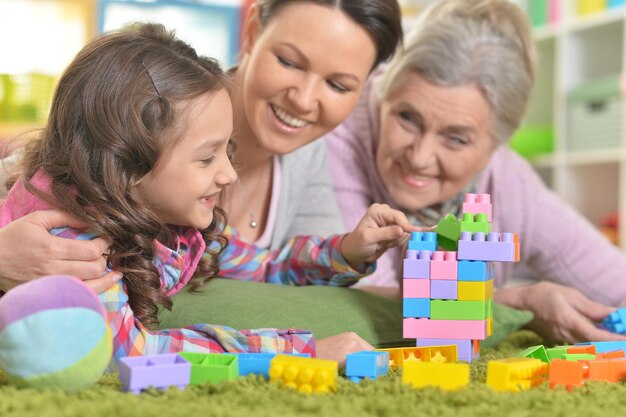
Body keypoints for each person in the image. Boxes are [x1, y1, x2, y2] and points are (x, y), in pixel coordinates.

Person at [0, 23, 420, 364]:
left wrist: (348, 251)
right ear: (125, 164)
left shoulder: (168, 221)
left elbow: (263, 265)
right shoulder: (75, 244)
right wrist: (298, 352)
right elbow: (132, 352)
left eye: (227, 151)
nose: (228, 173)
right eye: (206, 159)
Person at [325, 0, 626, 344]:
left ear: (496, 145)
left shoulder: (508, 181)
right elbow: (346, 299)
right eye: (407, 118)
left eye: (455, 138)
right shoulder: (338, 132)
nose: (420, 157)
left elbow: (617, 284)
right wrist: (521, 303)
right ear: (384, 92)